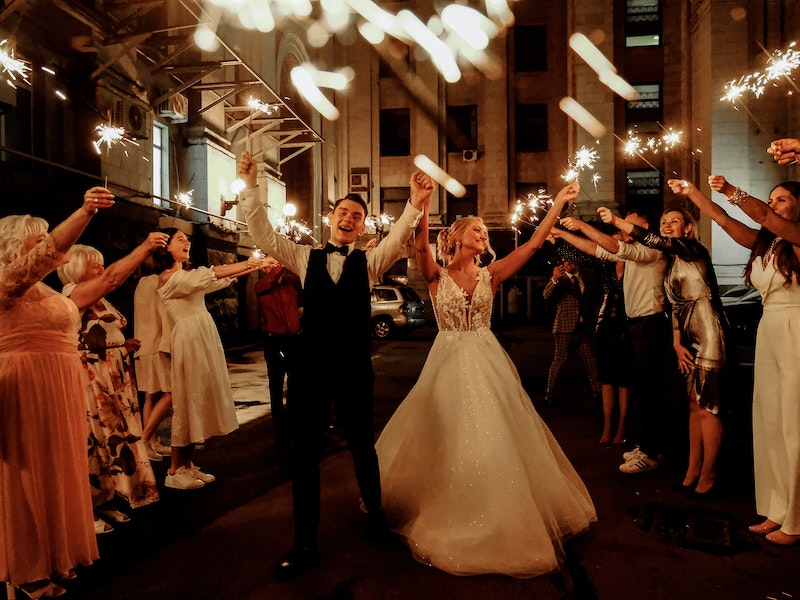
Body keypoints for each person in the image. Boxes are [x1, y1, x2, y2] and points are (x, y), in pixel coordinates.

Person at [375, 181, 595, 577]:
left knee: (490, 436)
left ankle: (497, 514)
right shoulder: (436, 275)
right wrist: (422, 205)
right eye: (476, 229)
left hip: (486, 362)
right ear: (458, 237)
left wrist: (559, 204)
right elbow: (421, 246)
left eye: (484, 232)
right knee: (445, 436)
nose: (483, 235)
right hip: (446, 363)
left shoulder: (490, 276)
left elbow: (530, 247)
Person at [237, 149, 434, 580]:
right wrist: (250, 186)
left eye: (357, 216)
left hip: (353, 369)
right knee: (304, 455)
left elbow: (400, 237)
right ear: (331, 217)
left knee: (363, 443)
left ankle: (376, 514)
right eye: (344, 212)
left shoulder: (370, 261)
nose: (349, 219)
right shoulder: (304, 256)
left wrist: (416, 203)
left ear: (363, 226)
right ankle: (304, 542)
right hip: (310, 370)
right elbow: (264, 234)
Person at [668, 175, 800, 545]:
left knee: (793, 424)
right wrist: (694, 192)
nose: (774, 204)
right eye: (771, 198)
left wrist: (729, 189)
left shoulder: (796, 237)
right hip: (770, 329)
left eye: (783, 199)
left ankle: (797, 518)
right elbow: (724, 221)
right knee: (770, 421)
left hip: (796, 329)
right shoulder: (766, 243)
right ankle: (778, 509)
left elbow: (764, 216)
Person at [0, 187, 114, 598]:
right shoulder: (6, 283)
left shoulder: (48, 291)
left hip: (59, 386)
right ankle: (27, 569)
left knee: (58, 469)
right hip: (25, 386)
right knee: (26, 475)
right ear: (17, 251)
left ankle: (54, 555)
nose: (49, 245)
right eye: (38, 240)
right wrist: (85, 212)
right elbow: (46, 254)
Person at [598, 205, 729, 497]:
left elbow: (654, 241)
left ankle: (710, 473)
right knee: (693, 405)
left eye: (674, 221)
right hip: (687, 334)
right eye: (664, 221)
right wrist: (676, 341)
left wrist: (617, 221)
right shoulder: (671, 262)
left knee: (709, 406)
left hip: (708, 328)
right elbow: (674, 305)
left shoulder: (693, 250)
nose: (667, 225)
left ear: (688, 228)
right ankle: (693, 470)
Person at [58, 238, 167, 531]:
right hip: (93, 381)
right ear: (77, 268)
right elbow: (113, 278)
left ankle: (106, 500)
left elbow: (99, 332)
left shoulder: (99, 299)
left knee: (112, 441)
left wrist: (122, 344)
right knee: (92, 440)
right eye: (95, 264)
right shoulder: (73, 293)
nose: (102, 268)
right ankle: (86, 511)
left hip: (114, 378)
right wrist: (145, 247)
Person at [556, 210, 672, 474]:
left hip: (651, 325)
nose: (626, 228)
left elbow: (612, 245)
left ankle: (653, 452)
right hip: (636, 326)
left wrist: (582, 225)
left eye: (631, 224)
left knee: (649, 392)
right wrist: (563, 233)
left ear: (644, 226)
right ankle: (647, 446)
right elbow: (599, 250)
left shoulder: (651, 250)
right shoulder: (631, 252)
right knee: (642, 389)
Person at [152, 228, 265, 490]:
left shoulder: (186, 275)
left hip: (201, 336)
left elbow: (216, 281)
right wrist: (249, 262)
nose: (187, 242)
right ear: (165, 247)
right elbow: (210, 275)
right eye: (180, 239)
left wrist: (253, 266)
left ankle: (188, 465)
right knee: (188, 400)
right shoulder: (168, 277)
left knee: (199, 399)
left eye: (187, 239)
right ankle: (174, 470)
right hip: (189, 339)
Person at [254, 256, 302, 441]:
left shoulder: (291, 283)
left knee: (296, 383)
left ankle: (292, 421)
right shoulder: (261, 286)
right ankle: (279, 425)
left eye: (277, 262)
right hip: (275, 341)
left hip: (294, 340)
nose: (275, 266)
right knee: (276, 384)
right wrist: (282, 259)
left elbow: (302, 271)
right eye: (271, 263)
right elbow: (273, 277)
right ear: (264, 268)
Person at [542, 258, 601, 407]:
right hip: (564, 328)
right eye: (564, 262)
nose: (568, 264)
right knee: (559, 362)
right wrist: (554, 279)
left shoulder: (587, 276)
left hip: (584, 328)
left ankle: (598, 393)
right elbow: (546, 295)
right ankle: (550, 394)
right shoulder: (561, 279)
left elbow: (594, 299)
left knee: (592, 361)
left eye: (571, 260)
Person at [133, 263, 173, 461]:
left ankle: (153, 442)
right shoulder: (157, 281)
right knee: (169, 393)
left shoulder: (141, 283)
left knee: (151, 394)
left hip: (143, 343)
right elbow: (164, 313)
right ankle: (145, 440)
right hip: (157, 343)